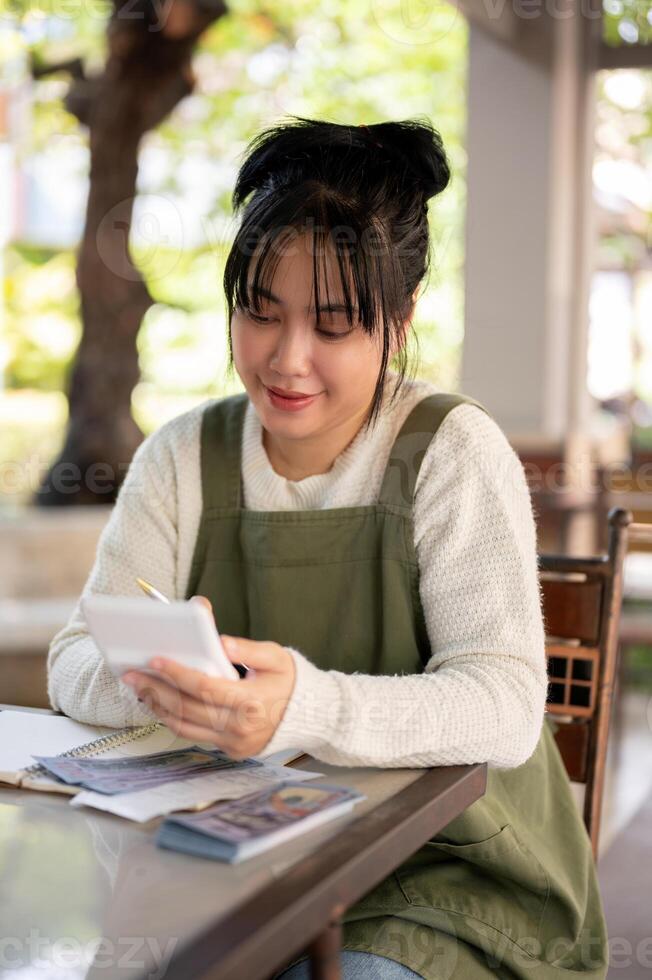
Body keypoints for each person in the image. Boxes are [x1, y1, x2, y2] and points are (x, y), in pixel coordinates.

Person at [48, 116, 608, 979]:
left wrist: (300, 707)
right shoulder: (182, 455)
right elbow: (76, 656)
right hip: (243, 863)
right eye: (259, 312)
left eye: (335, 325)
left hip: (446, 882)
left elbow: (501, 703)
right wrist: (173, 690)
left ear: (400, 318)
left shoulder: (449, 450)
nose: (287, 360)